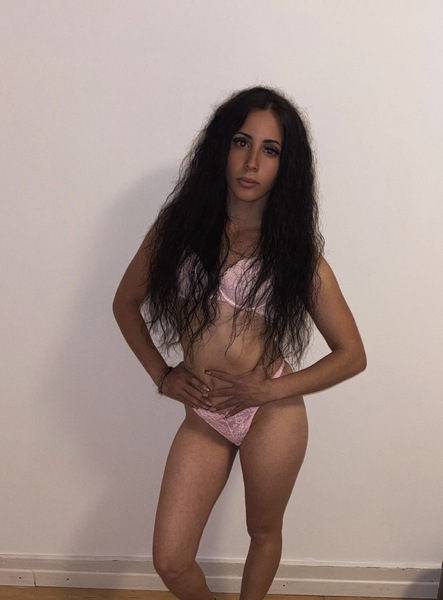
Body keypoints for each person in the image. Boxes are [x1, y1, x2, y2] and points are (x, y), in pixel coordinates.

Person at [113, 86, 366, 600]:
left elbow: (352, 355)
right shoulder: (177, 230)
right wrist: (163, 375)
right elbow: (124, 303)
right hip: (204, 413)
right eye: (241, 142)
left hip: (270, 412)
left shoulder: (295, 255)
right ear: (221, 147)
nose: (252, 162)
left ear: (285, 166)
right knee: (171, 560)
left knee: (263, 531)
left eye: (270, 150)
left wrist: (268, 391)